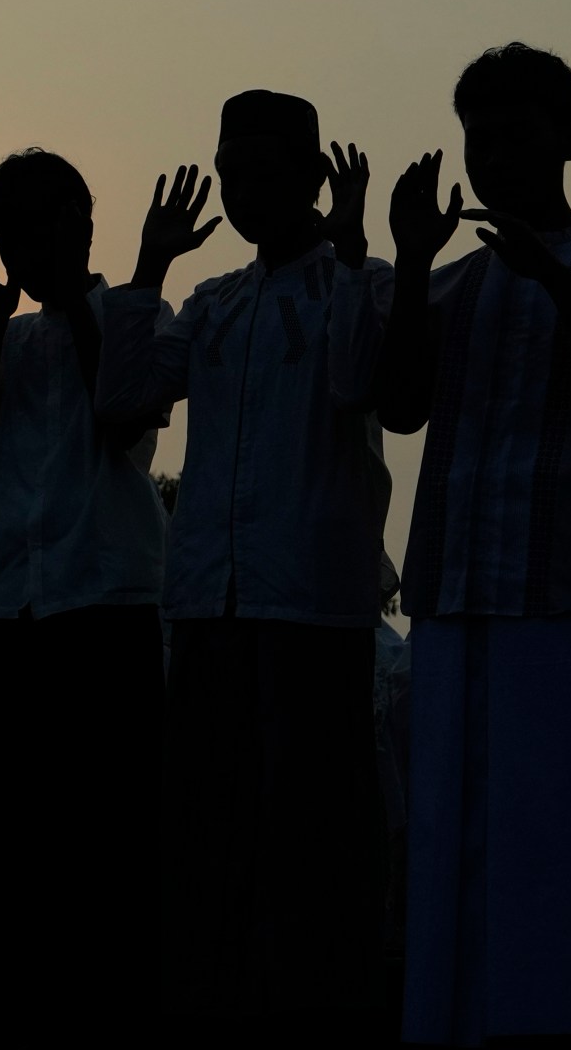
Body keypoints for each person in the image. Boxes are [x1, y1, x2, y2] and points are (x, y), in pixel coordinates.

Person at [378, 44, 571, 1046]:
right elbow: (397, 407)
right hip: (455, 598)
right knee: (448, 839)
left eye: (518, 135)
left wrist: (558, 285)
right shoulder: (451, 285)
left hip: (569, 603)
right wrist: (414, 258)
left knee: (559, 843)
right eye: (480, 138)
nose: (496, 158)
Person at [96, 92, 389, 1041]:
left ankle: (316, 1011)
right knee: (208, 821)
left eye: (267, 173)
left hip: (312, 597)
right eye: (233, 173)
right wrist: (148, 268)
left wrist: (350, 252)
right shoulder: (212, 301)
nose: (245, 190)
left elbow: (360, 382)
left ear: (313, 179)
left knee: (312, 824)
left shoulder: (367, 283)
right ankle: (211, 1006)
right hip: (210, 598)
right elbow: (125, 406)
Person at [0, 148, 167, 1043]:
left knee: (105, 833)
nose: (23, 255)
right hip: (16, 607)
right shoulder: (14, 333)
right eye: (9, 239)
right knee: (14, 833)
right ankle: (18, 1011)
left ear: (77, 231)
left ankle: (109, 1012)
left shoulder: (126, 314)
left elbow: (120, 422)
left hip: (104, 599)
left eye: (37, 235)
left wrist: (72, 295)